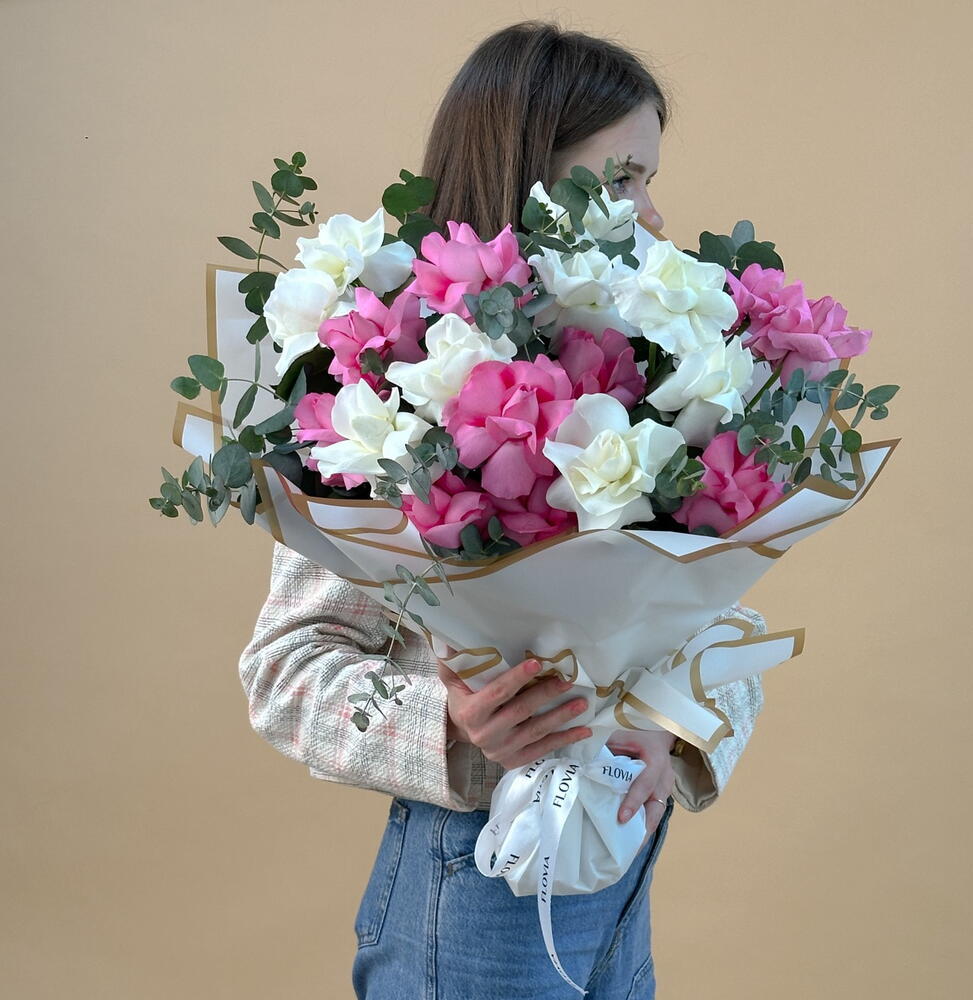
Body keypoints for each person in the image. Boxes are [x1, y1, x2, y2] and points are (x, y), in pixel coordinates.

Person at [237, 20, 767, 1000]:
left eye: (650, 178)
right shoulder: (389, 388)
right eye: (622, 178)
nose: (653, 214)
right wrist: (449, 724)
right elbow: (285, 673)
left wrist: (668, 725)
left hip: (620, 881)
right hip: (469, 898)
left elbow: (727, 619)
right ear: (529, 177)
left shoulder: (662, 380)